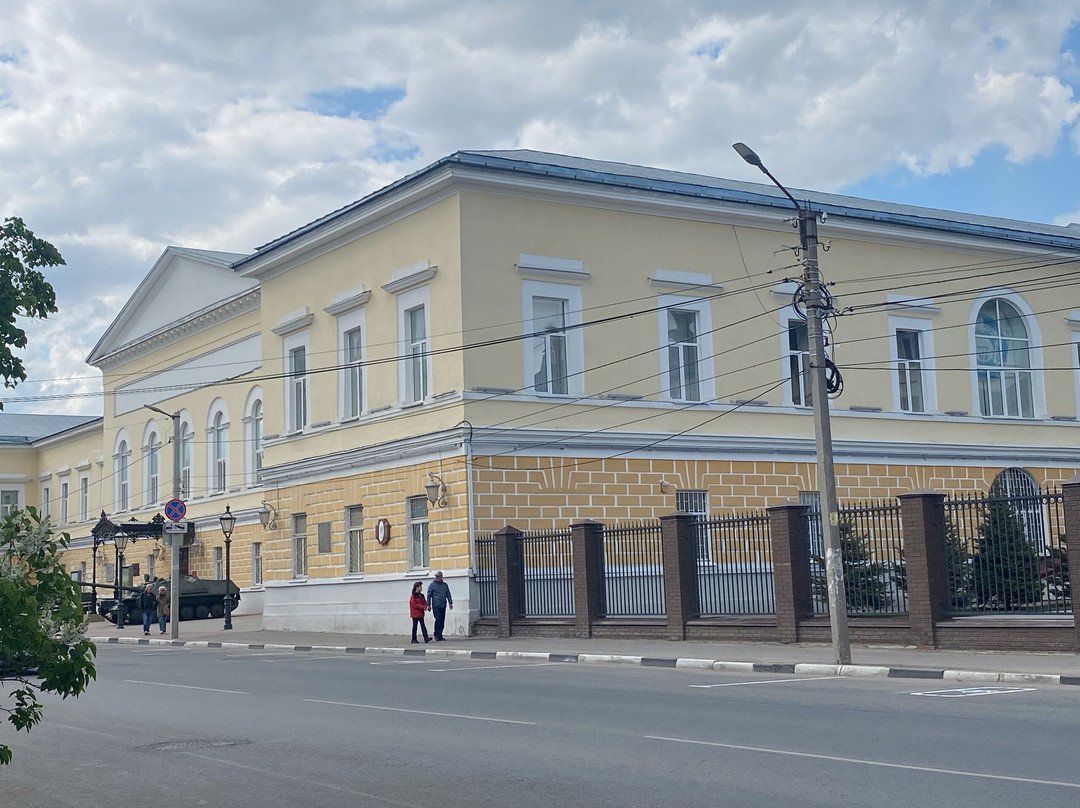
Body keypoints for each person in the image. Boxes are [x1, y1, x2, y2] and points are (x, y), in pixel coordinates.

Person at [426, 571, 453, 641]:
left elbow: (448, 594)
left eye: (438, 576)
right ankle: (436, 634)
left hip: (443, 605)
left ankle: (440, 635)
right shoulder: (432, 585)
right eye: (436, 577)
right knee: (438, 619)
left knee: (442, 621)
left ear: (441, 577)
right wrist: (428, 605)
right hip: (436, 605)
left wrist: (450, 602)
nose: (437, 578)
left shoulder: (445, 585)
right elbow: (429, 595)